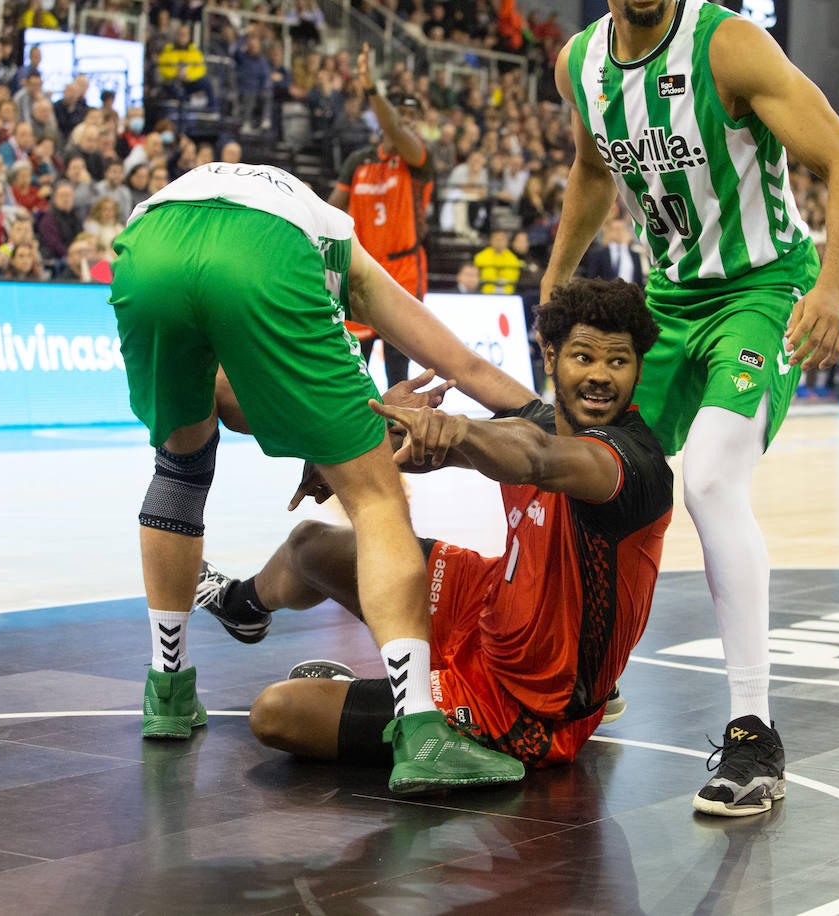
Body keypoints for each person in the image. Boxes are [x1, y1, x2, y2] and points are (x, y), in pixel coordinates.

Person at [541, 0, 839, 817]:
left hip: (762, 289)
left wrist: (831, 288)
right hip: (666, 301)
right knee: (584, 473)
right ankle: (591, 678)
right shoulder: (578, 64)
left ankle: (753, 730)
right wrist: (556, 277)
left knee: (713, 484)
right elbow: (590, 170)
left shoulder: (731, 47)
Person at [109, 161, 527, 796]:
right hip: (263, 249)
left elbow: (226, 392)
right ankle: (420, 730)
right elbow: (463, 363)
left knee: (180, 466)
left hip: (146, 248)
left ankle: (167, 692)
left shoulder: (203, 206)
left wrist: (325, 436)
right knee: (377, 499)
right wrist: (537, 414)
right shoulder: (343, 251)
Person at [198, 278, 674, 769]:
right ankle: (243, 606)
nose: (600, 376)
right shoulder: (541, 417)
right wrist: (355, 442)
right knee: (310, 546)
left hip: (524, 708)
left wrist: (462, 428)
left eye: (618, 362)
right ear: (550, 358)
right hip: (487, 603)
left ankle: (389, 692)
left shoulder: (630, 465)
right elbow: (460, 369)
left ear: (638, 368)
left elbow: (537, 458)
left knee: (276, 713)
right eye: (584, 358)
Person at [329, 44, 433, 389]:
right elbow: (332, 208)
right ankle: (356, 429)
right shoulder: (358, 161)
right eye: (399, 112)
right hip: (363, 266)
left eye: (411, 116)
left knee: (396, 362)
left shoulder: (417, 158)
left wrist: (371, 88)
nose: (404, 119)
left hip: (404, 269)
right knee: (353, 358)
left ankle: (399, 430)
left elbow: (395, 129)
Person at [582, 217, 644, 286]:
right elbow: (592, 280)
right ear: (609, 232)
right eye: (616, 229)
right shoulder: (598, 255)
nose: (619, 232)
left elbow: (639, 281)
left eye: (622, 229)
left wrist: (624, 246)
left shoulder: (635, 255)